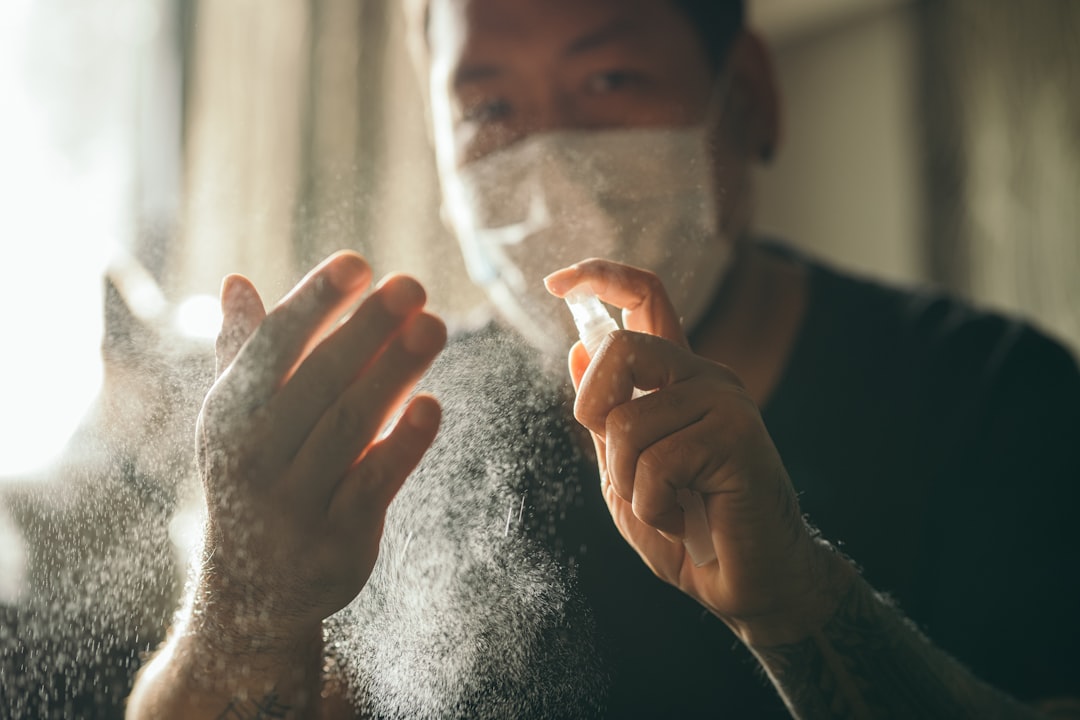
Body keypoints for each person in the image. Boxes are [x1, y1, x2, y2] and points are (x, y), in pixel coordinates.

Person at [127, 0, 1080, 718]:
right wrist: (245, 601)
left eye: (611, 81)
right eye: (489, 104)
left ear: (748, 96)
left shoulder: (993, 398)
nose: (548, 160)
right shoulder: (399, 437)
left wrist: (799, 602)